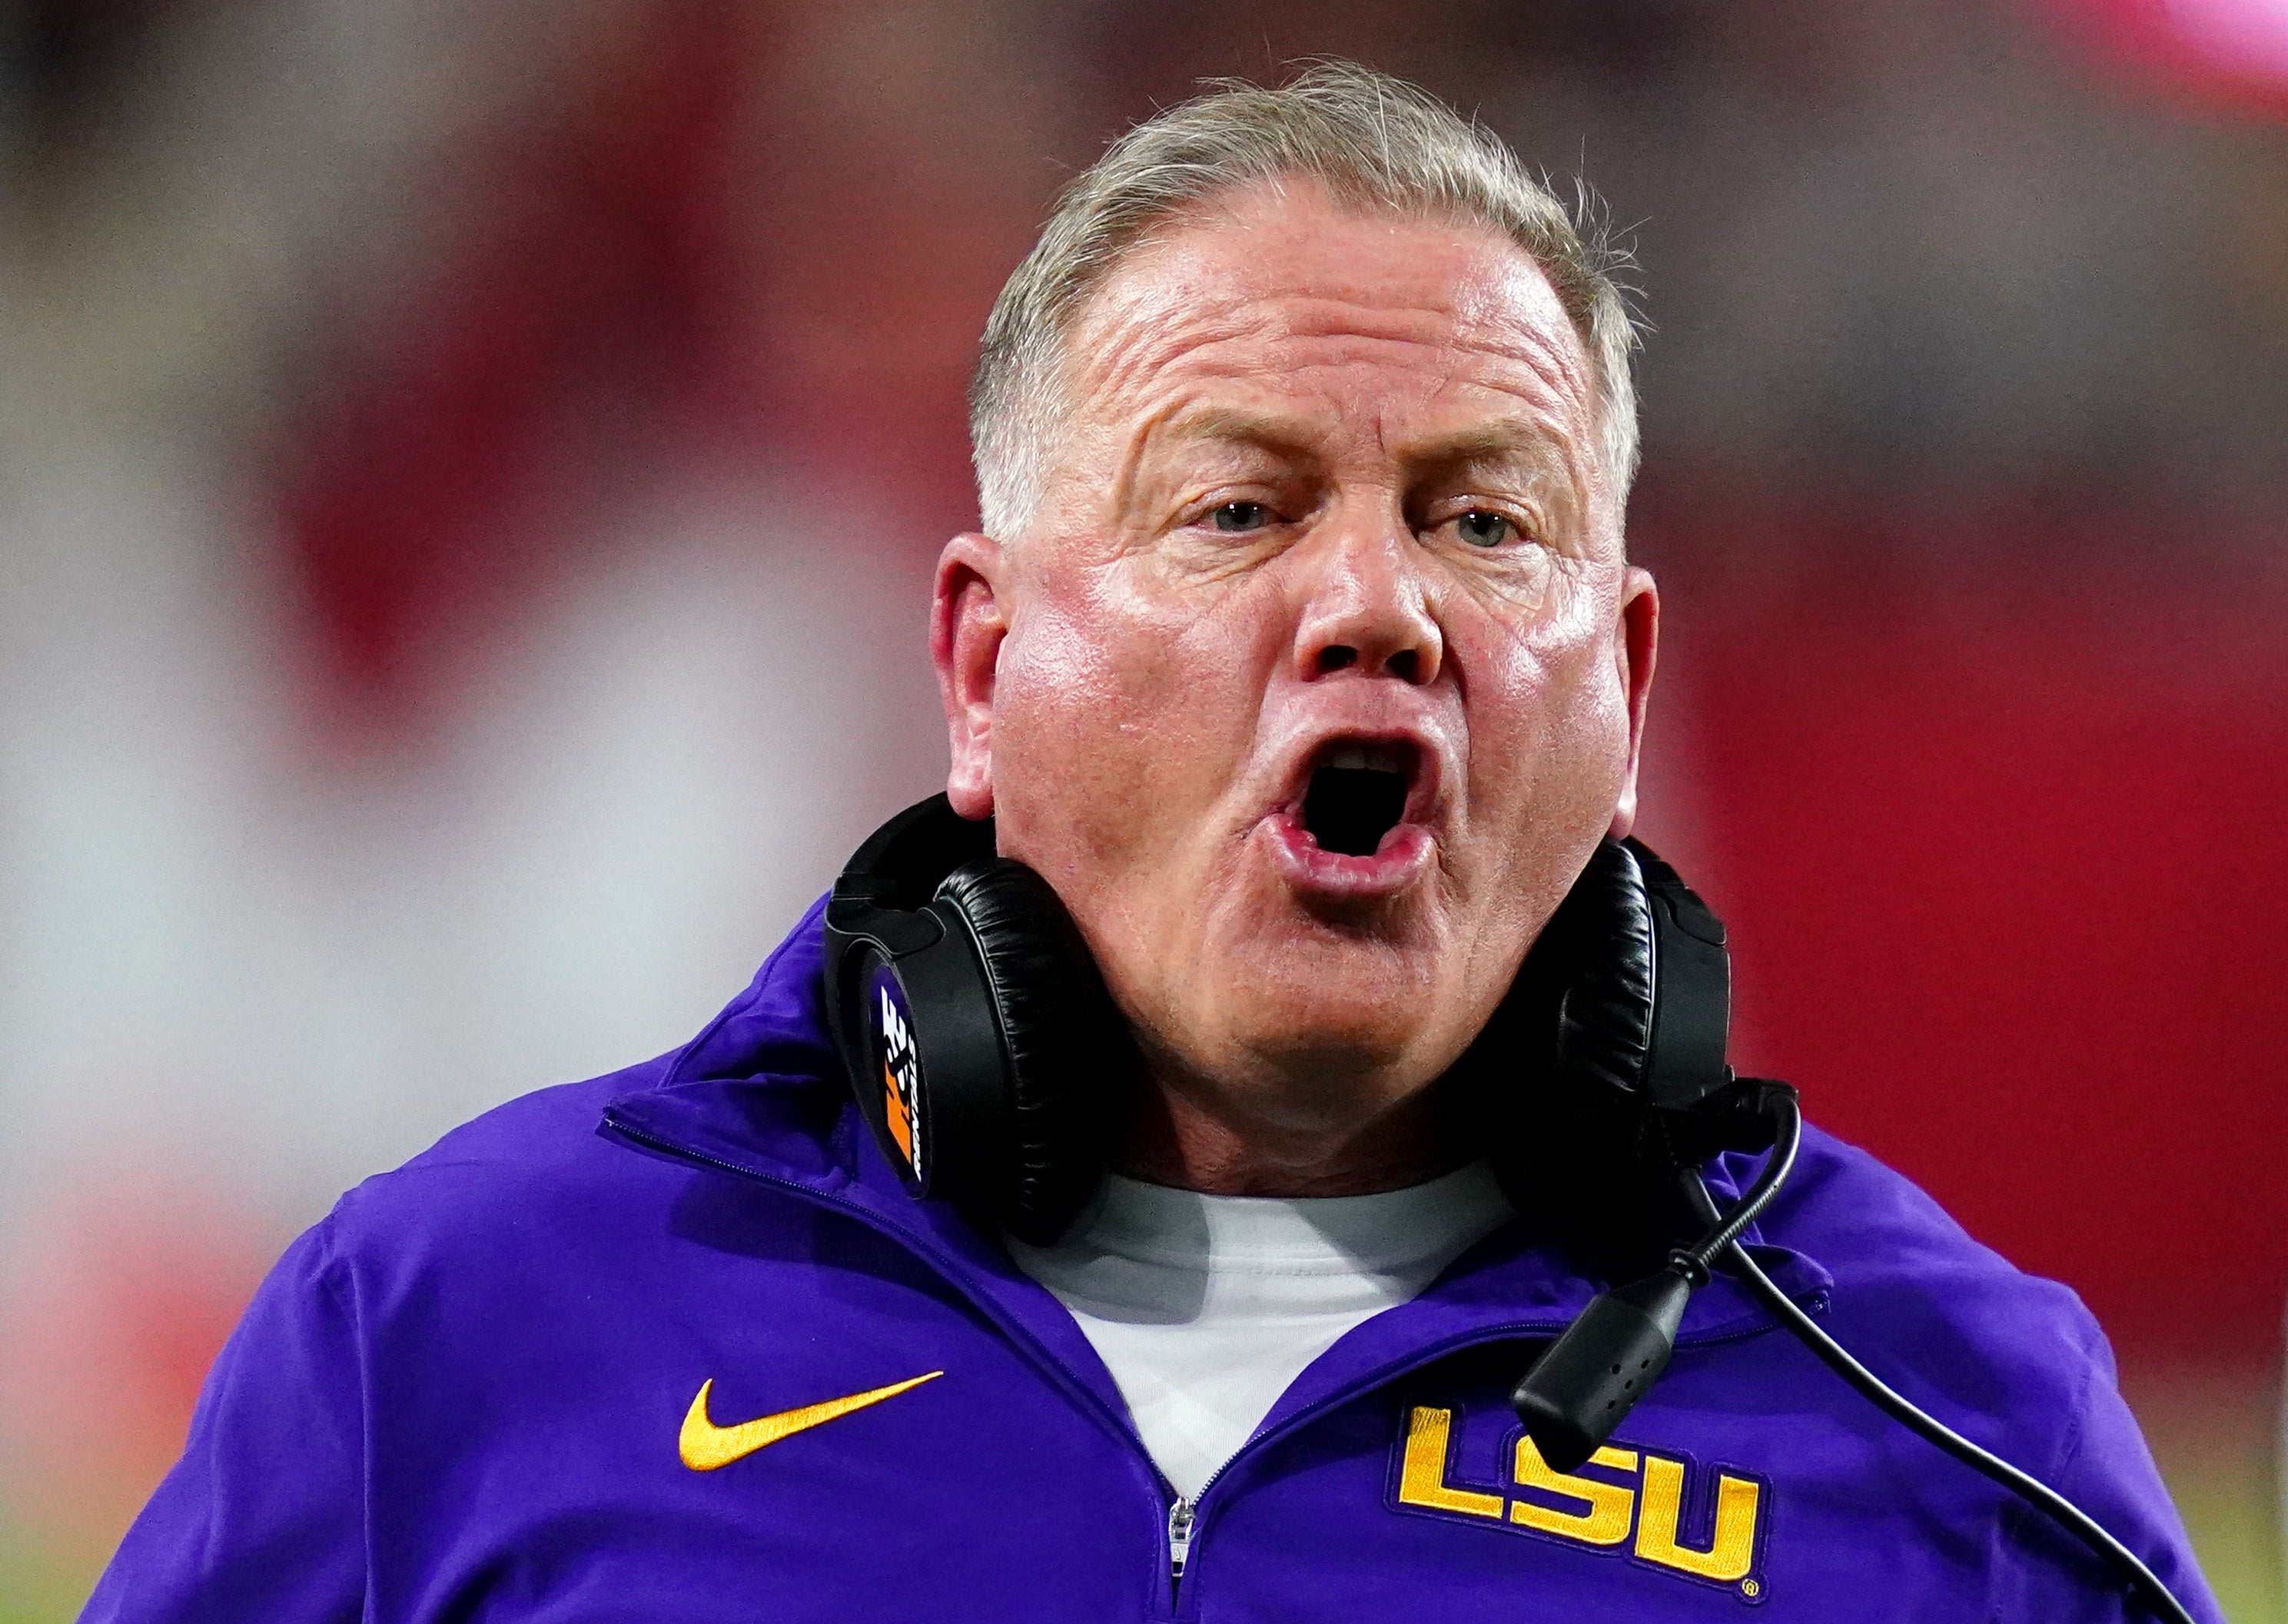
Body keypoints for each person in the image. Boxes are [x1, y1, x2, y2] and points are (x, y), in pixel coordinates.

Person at [85, 65, 2219, 1622]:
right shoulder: (456, 1329)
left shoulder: (1959, 1431)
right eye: (1237, 507)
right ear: (981, 665)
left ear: (1632, 687)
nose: (1375, 602)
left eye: (1486, 519)